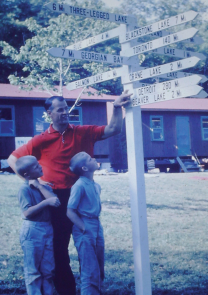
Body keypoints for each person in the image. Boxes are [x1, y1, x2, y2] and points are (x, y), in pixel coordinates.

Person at [7, 90, 132, 295]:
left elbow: (114, 128)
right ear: (49, 114)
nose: (65, 112)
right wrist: (33, 183)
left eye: (66, 108)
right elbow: (14, 159)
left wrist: (117, 107)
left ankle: (91, 289)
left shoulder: (84, 131)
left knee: (88, 245)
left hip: (81, 198)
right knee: (59, 250)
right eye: (60, 110)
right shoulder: (41, 140)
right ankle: (67, 291)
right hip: (56, 200)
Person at [15, 155, 61, 295]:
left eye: (38, 164)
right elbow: (27, 213)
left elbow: (55, 201)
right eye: (35, 166)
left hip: (47, 228)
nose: (39, 166)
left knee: (48, 270)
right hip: (32, 230)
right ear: (26, 174)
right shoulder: (24, 190)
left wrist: (40, 186)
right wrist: (45, 203)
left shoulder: (42, 187)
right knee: (33, 271)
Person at [67, 152, 104, 295]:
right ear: (84, 168)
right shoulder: (79, 185)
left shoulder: (95, 185)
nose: (94, 158)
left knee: (99, 265)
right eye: (90, 159)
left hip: (96, 224)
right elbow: (70, 211)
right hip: (84, 226)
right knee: (89, 268)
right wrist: (83, 228)